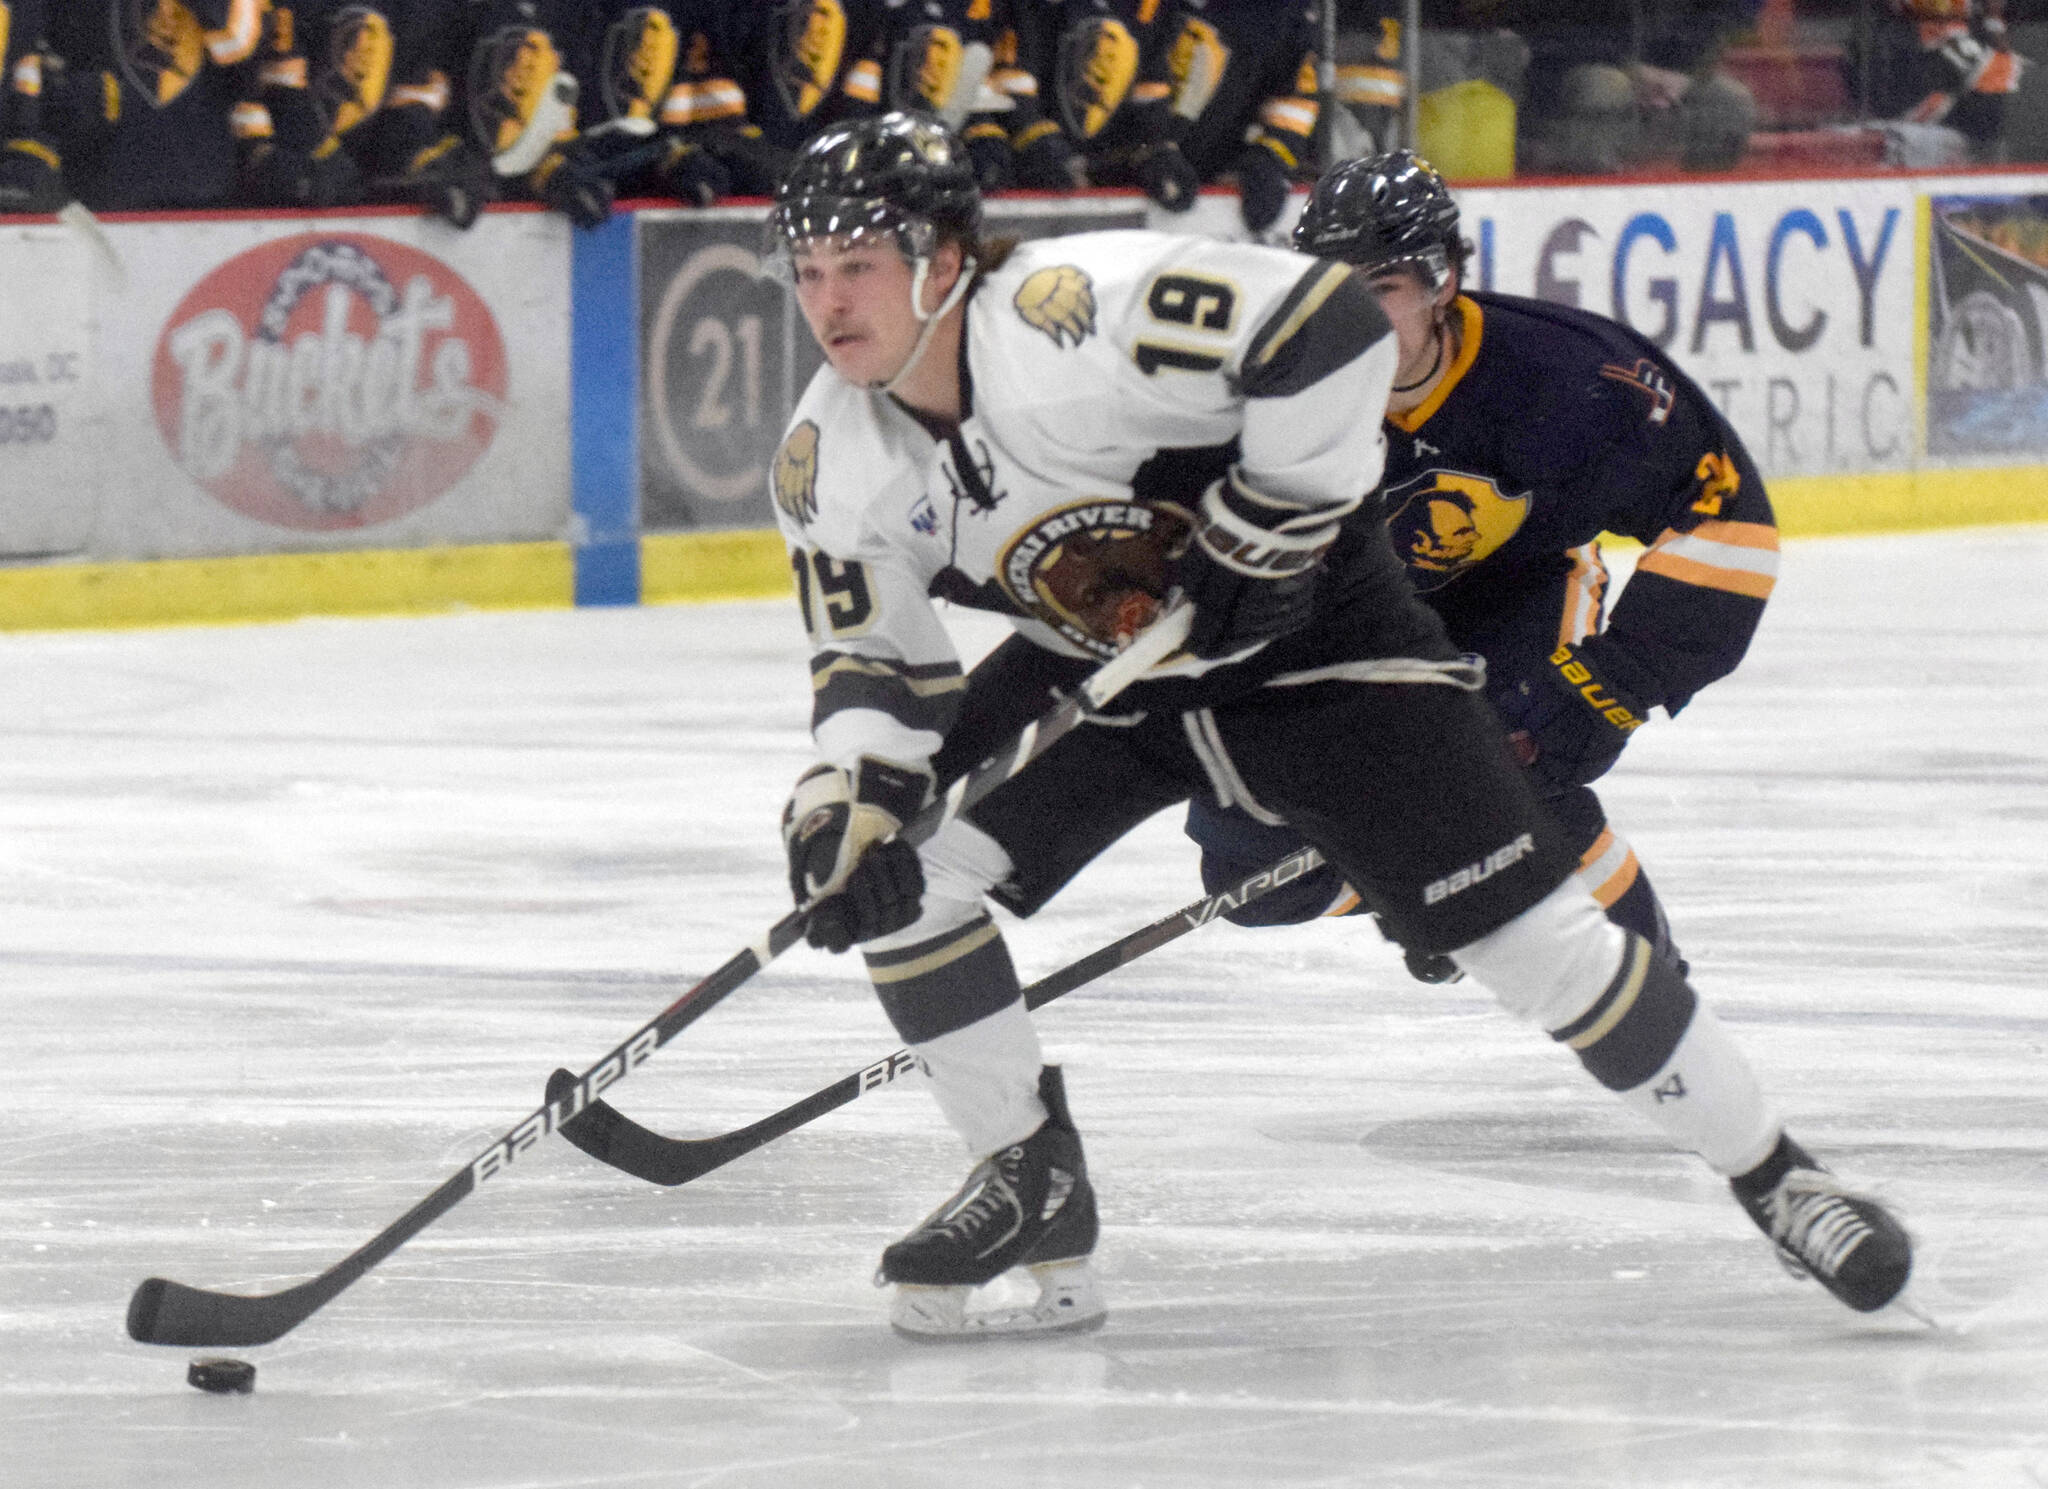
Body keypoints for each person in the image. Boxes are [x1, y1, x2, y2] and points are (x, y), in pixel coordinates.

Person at [765, 109, 1912, 1340]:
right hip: (1102, 668)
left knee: (1534, 950)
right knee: (911, 867)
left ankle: (1776, 1174)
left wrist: (1272, 514)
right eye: (811, 273)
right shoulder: (828, 456)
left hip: (1322, 646)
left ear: (941, 262)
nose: (832, 305)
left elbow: (1329, 325)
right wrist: (854, 799)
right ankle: (1026, 1174)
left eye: (859, 267)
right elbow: (874, 661)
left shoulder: (1068, 307)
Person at [1186, 149, 1778, 984]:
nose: (1352, 318)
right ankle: (1443, 892)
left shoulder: (1568, 374)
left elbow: (1725, 513)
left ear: (1441, 280)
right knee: (1251, 884)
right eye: (1331, 288)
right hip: (1355, 616)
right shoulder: (1266, 397)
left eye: (1381, 289)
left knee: (1521, 769)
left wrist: (1618, 675)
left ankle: (1651, 987)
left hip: (1519, 593)